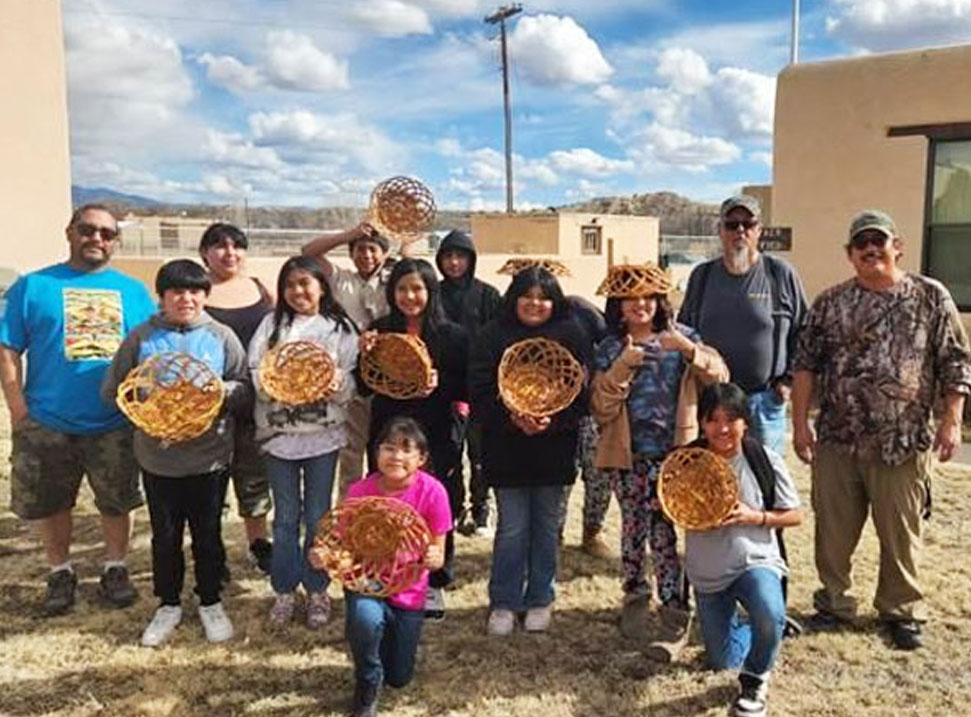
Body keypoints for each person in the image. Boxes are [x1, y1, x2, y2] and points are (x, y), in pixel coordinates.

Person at [792, 209, 971, 651]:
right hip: (837, 437)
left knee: (901, 532)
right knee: (833, 532)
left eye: (879, 241)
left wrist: (951, 420)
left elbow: (955, 362)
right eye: (861, 244)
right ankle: (833, 604)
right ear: (850, 254)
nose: (871, 249)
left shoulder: (931, 297)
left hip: (903, 440)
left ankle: (901, 610)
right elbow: (806, 366)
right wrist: (800, 423)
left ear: (898, 246)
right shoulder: (830, 303)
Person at [0, 204, 155, 615]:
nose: (97, 239)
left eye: (107, 234)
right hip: (48, 420)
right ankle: (60, 570)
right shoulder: (34, 287)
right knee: (52, 502)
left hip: (114, 421)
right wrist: (18, 409)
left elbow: (149, 354)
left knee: (118, 500)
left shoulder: (133, 292)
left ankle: (115, 567)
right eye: (88, 230)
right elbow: (8, 348)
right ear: (70, 231)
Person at [102, 260, 251, 646]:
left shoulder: (221, 336)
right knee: (165, 536)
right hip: (158, 459)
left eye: (195, 291)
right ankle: (167, 603)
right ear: (162, 296)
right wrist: (148, 407)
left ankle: (210, 601)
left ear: (205, 295)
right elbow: (114, 390)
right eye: (176, 292)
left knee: (208, 533)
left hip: (210, 458)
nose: (186, 298)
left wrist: (220, 394)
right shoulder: (142, 337)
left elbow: (245, 388)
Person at [590, 264, 727, 659]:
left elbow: (720, 376)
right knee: (632, 532)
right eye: (631, 298)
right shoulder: (610, 348)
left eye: (648, 296)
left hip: (674, 460)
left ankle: (674, 614)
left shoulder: (683, 338)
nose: (640, 305)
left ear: (660, 301)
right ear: (618, 305)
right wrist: (622, 366)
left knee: (664, 537)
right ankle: (634, 599)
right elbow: (600, 406)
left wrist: (689, 352)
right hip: (628, 458)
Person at [469, 267, 590, 636]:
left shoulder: (571, 334)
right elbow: (478, 388)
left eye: (544, 296)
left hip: (553, 449)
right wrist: (513, 418)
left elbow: (582, 395)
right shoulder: (493, 335)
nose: (535, 303)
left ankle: (540, 597)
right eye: (527, 295)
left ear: (555, 301)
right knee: (512, 528)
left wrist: (552, 420)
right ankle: (504, 601)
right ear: (513, 297)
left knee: (545, 527)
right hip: (507, 449)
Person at [248, 256, 359, 628]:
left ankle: (317, 589)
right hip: (280, 436)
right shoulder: (271, 325)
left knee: (318, 516)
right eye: (291, 285)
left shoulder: (339, 328)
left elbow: (351, 379)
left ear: (321, 287)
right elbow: (256, 371)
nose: (298, 291)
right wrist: (279, 386)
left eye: (305, 283)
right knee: (285, 518)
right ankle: (283, 588)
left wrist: (336, 384)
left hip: (322, 438)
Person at [314, 417, 450, 717]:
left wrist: (434, 558)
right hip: (367, 581)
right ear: (376, 453)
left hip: (409, 587)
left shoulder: (434, 492)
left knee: (399, 678)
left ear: (422, 459)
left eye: (406, 450)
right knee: (364, 621)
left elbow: (438, 549)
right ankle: (367, 680)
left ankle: (390, 646)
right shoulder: (360, 491)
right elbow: (339, 541)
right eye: (388, 448)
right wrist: (325, 555)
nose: (396, 457)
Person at [359, 258, 468, 621]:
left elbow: (466, 387)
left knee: (437, 504)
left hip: (435, 432)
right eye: (402, 288)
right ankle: (390, 575)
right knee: (388, 504)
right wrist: (364, 354)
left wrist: (441, 383)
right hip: (388, 431)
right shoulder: (378, 331)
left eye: (418, 288)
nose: (410, 296)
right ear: (392, 292)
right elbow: (363, 385)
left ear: (431, 292)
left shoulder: (452, 335)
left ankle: (435, 581)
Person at [687, 383, 803, 717]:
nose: (723, 428)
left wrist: (756, 516)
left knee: (768, 612)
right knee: (723, 660)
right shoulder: (687, 461)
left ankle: (755, 679)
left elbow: (795, 515)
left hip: (754, 562)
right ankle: (770, 627)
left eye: (732, 419)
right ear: (702, 423)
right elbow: (666, 509)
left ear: (746, 422)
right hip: (708, 575)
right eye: (713, 419)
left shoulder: (762, 458)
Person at [678, 195, 807, 453]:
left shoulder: (779, 274)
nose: (740, 230)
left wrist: (789, 380)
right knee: (714, 481)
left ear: (759, 230)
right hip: (714, 403)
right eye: (732, 224)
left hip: (764, 401)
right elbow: (685, 332)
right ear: (720, 231)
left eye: (747, 224)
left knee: (764, 478)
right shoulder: (702, 277)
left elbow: (804, 332)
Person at [199, 223, 274, 574]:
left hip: (255, 401)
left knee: (254, 477)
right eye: (219, 245)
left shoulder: (259, 288)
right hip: (207, 404)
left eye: (236, 245)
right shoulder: (195, 291)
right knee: (210, 480)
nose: (229, 252)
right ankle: (211, 551)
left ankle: (258, 545)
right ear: (204, 253)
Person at [302, 223, 394, 496]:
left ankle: (382, 505)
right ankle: (350, 509)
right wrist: (350, 235)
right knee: (352, 448)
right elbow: (308, 252)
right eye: (360, 250)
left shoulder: (392, 282)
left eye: (373, 249)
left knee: (385, 445)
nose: (366, 255)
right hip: (351, 373)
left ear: (384, 254)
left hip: (388, 376)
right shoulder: (341, 280)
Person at [434, 229, 502, 535]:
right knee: (449, 451)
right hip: (444, 387)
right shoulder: (432, 293)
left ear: (470, 260)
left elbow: (499, 337)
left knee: (481, 453)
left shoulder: (487, 295)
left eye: (460, 256)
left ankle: (482, 509)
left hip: (480, 387)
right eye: (448, 256)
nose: (454, 263)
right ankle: (454, 508)